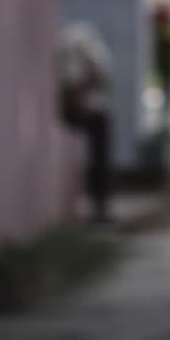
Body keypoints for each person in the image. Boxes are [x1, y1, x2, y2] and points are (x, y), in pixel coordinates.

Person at [57, 21, 114, 222]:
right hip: (67, 108)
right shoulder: (75, 46)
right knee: (101, 129)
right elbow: (86, 79)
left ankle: (100, 205)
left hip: (75, 108)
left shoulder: (79, 43)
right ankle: (100, 206)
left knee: (101, 128)